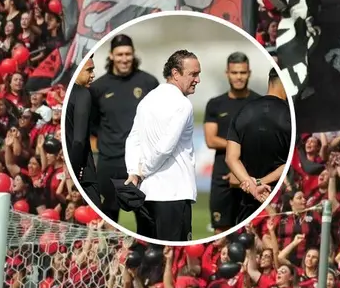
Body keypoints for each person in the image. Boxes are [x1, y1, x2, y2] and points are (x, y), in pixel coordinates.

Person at [124, 49, 201, 242]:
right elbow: (165, 147)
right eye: (194, 74)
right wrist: (143, 171)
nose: (198, 80)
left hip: (146, 195)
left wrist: (134, 172)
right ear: (175, 73)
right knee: (172, 257)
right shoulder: (183, 104)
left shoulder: (147, 100)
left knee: (148, 258)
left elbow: (133, 139)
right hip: (174, 195)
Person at [88, 34, 159, 222]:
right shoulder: (97, 88)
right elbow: (92, 124)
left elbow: (158, 120)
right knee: (108, 221)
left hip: (141, 164)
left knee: (147, 220)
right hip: (110, 163)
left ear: (133, 54)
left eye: (128, 54)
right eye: (119, 54)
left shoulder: (149, 83)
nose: (124, 59)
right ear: (111, 55)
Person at [225, 68, 291, 225]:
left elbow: (231, 158)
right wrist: (260, 183)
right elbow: (288, 165)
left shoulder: (243, 111)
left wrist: (252, 185)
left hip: (246, 205)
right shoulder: (290, 115)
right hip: (279, 202)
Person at [203, 52, 260, 233]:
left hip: (252, 172)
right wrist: (237, 149)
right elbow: (211, 140)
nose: (239, 77)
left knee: (252, 229)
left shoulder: (259, 102)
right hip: (222, 175)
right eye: (235, 73)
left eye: (242, 73)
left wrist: (241, 170)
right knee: (221, 229)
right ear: (227, 73)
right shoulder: (215, 104)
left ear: (249, 73)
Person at [64, 56, 97, 200]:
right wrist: (75, 172)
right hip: (83, 172)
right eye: (89, 70)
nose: (93, 75)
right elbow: (78, 140)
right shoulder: (83, 94)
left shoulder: (65, 94)